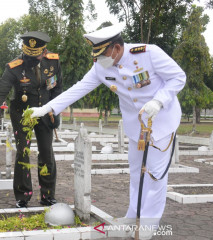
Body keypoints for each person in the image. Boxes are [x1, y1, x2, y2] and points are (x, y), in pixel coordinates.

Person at [29, 25, 186, 239]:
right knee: (135, 174)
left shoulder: (150, 53)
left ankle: (149, 225)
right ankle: (132, 216)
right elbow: (78, 88)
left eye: (103, 54)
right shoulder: (102, 67)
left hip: (162, 122)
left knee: (155, 175)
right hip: (136, 127)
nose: (99, 59)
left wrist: (158, 101)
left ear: (117, 48)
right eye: (96, 54)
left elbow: (178, 77)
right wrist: (46, 108)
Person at [0, 31, 63, 208]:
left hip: (45, 111)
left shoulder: (52, 61)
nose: (33, 60)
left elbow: (56, 88)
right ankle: (23, 195)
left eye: (37, 56)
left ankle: (47, 194)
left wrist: (56, 112)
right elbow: (0, 92)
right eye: (29, 56)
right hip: (22, 112)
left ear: (43, 51)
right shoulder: (14, 67)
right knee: (23, 152)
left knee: (46, 151)